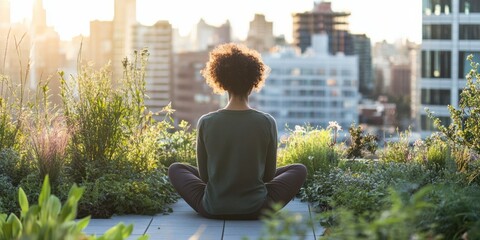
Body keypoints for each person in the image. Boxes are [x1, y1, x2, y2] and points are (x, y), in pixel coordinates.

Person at [168, 43, 307, 220]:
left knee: (176, 168)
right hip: (257, 208)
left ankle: (222, 195)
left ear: (222, 83)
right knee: (299, 169)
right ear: (253, 83)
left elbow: (204, 177)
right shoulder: (267, 122)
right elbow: (269, 176)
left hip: (213, 208)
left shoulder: (206, 122)